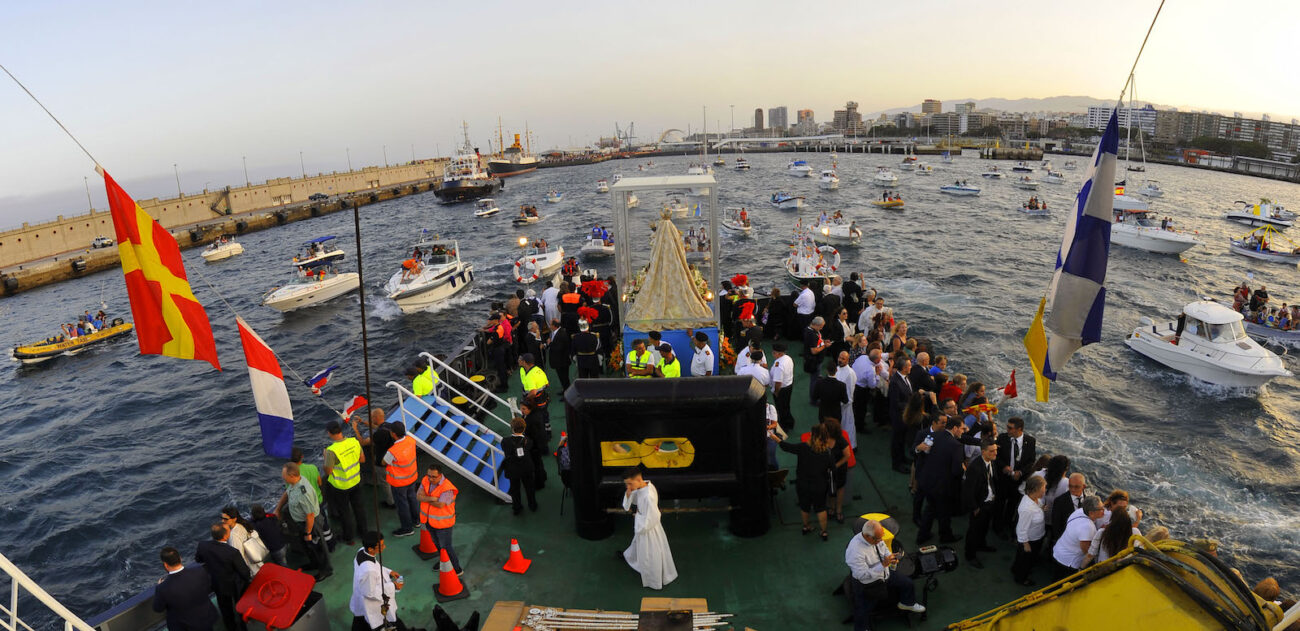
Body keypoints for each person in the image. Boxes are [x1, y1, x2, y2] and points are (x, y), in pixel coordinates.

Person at [846, 519, 926, 631]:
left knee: (907, 583)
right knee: (863, 610)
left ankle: (907, 603)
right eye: (878, 539)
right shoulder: (855, 551)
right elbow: (862, 575)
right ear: (868, 537)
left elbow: (884, 549)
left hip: (884, 574)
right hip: (867, 584)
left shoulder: (876, 538)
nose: (881, 541)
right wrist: (883, 564)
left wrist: (890, 557)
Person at [772, 425, 835, 540]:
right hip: (820, 485)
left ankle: (806, 526)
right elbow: (832, 468)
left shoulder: (803, 447)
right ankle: (824, 532)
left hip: (803, 484)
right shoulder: (828, 452)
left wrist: (774, 437)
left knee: (805, 506)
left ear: (812, 435)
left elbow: (786, 447)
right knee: (821, 508)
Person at [621, 467, 678, 589]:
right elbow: (631, 502)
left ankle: (654, 580)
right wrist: (628, 494)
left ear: (638, 479)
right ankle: (635, 560)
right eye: (627, 484)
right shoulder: (642, 486)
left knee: (651, 553)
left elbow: (654, 517)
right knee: (640, 547)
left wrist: (640, 524)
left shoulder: (648, 496)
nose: (628, 487)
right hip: (642, 523)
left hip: (648, 529)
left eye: (630, 484)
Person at [276, 462, 332, 579]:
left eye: (284, 475)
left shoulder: (304, 493)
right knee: (308, 546)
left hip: (311, 524)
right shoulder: (295, 483)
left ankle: (325, 570)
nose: (282, 477)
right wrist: (278, 508)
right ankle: (314, 563)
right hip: (301, 523)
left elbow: (310, 515)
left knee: (318, 547)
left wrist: (308, 532)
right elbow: (288, 492)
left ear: (291, 476)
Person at [916, 417, 965, 545]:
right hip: (943, 486)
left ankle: (922, 535)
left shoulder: (933, 436)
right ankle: (945, 536)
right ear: (955, 428)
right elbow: (956, 470)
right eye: (962, 429)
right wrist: (963, 469)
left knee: (930, 509)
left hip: (928, 481)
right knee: (945, 512)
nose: (963, 431)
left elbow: (923, 452)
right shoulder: (956, 446)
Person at [195, 522, 252, 631]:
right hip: (234, 585)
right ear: (226, 536)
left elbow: (198, 559)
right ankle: (243, 626)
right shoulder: (232, 552)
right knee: (240, 606)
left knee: (225, 609)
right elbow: (244, 572)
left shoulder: (203, 545)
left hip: (218, 583)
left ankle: (231, 627)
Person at [350, 531, 410, 631]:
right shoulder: (368, 570)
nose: (384, 547)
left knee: (360, 621)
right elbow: (370, 592)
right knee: (386, 621)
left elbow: (376, 566)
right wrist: (393, 586)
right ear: (370, 549)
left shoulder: (362, 552)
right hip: (373, 604)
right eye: (381, 546)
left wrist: (389, 572)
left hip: (360, 598)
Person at [152, 546, 220, 631]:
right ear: (180, 558)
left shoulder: (162, 588)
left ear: (165, 565)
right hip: (206, 619)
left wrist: (161, 586)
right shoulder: (200, 571)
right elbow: (209, 586)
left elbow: (158, 608)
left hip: (183, 627)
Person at [324, 420, 367, 546]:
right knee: (359, 508)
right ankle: (363, 532)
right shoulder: (354, 442)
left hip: (341, 486)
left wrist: (325, 457)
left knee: (345, 512)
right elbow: (362, 459)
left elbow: (328, 471)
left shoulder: (331, 451)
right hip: (356, 481)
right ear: (340, 430)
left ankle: (349, 537)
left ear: (329, 433)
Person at [417, 463, 462, 575]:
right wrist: (433, 498)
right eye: (429, 475)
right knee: (437, 544)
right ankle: (444, 561)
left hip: (443, 524)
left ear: (440, 475)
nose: (430, 479)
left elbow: (440, 505)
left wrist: (426, 498)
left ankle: (457, 569)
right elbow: (418, 496)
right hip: (429, 521)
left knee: (446, 547)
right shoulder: (425, 480)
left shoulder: (447, 488)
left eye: (434, 477)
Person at [994, 416, 1036, 535]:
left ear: (1019, 429)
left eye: (1010, 428)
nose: (1007, 430)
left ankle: (1007, 522)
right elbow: (996, 457)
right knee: (1000, 503)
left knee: (1012, 504)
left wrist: (1020, 472)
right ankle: (997, 526)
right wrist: (1003, 467)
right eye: (1007, 427)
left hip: (1018, 480)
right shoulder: (1002, 438)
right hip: (1003, 479)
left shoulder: (1030, 441)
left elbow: (1031, 461)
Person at [961, 438, 999, 569]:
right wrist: (975, 507)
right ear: (983, 452)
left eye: (996, 450)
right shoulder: (975, 468)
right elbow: (968, 490)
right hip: (979, 505)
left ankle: (981, 545)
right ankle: (970, 555)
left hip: (989, 502)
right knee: (974, 530)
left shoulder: (991, 462)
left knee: (984, 527)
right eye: (992, 451)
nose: (995, 453)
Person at [1052, 495, 1104, 580]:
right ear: (1091, 513)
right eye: (1101, 509)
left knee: (1056, 578)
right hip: (1068, 561)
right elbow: (1086, 550)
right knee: (1062, 582)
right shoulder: (1088, 527)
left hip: (1059, 551)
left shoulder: (1079, 511)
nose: (1103, 510)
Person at [383, 423, 420, 537]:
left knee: (402, 505)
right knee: (413, 499)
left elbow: (384, 462)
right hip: (412, 477)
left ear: (393, 434)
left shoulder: (393, 451)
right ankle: (417, 521)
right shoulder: (411, 440)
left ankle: (407, 528)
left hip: (399, 483)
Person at [1011, 475, 1048, 586]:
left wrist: (1041, 508)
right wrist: (1026, 544)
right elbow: (1021, 528)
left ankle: (1015, 569)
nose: (1045, 490)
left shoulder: (1034, 499)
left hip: (1035, 537)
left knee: (1021, 557)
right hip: (1031, 540)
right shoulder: (1027, 509)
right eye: (1043, 488)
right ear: (1036, 490)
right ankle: (1021, 578)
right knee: (1027, 560)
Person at [500, 417, 538, 514]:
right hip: (526, 468)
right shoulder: (528, 441)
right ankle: (532, 505)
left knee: (515, 489)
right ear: (524, 428)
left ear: (512, 428)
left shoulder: (505, 441)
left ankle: (517, 508)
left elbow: (505, 450)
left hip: (513, 469)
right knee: (529, 487)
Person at [887, 355, 914, 474]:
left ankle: (902, 457)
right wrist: (911, 405)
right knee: (897, 440)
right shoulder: (895, 382)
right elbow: (895, 402)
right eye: (909, 365)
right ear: (904, 368)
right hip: (898, 416)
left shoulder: (905, 378)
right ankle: (896, 464)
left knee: (902, 438)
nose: (911, 367)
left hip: (905, 415)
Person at [220, 506, 264, 576]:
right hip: (257, 562)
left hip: (251, 569)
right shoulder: (242, 525)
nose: (222, 521)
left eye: (225, 519)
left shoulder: (233, 535)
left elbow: (238, 556)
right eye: (221, 518)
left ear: (234, 519)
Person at [803, 317, 831, 402]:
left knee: (815, 379)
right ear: (816, 325)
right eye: (821, 326)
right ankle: (813, 399)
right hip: (814, 361)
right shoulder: (811, 334)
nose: (821, 328)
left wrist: (823, 342)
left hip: (815, 360)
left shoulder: (811, 330)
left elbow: (817, 341)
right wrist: (824, 346)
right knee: (814, 381)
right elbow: (814, 351)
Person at [770, 343, 796, 432]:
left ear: (779, 353)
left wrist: (776, 392)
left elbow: (778, 382)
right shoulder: (788, 358)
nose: (773, 354)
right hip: (789, 386)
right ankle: (790, 422)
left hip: (782, 389)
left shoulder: (779, 365)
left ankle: (784, 427)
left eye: (774, 352)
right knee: (786, 406)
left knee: (781, 408)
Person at [547, 319, 573, 392]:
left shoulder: (561, 334)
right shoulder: (557, 332)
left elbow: (558, 348)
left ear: (554, 326)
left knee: (564, 378)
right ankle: (565, 390)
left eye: (550, 324)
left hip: (562, 361)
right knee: (562, 378)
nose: (549, 326)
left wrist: (550, 343)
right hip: (560, 361)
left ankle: (567, 393)